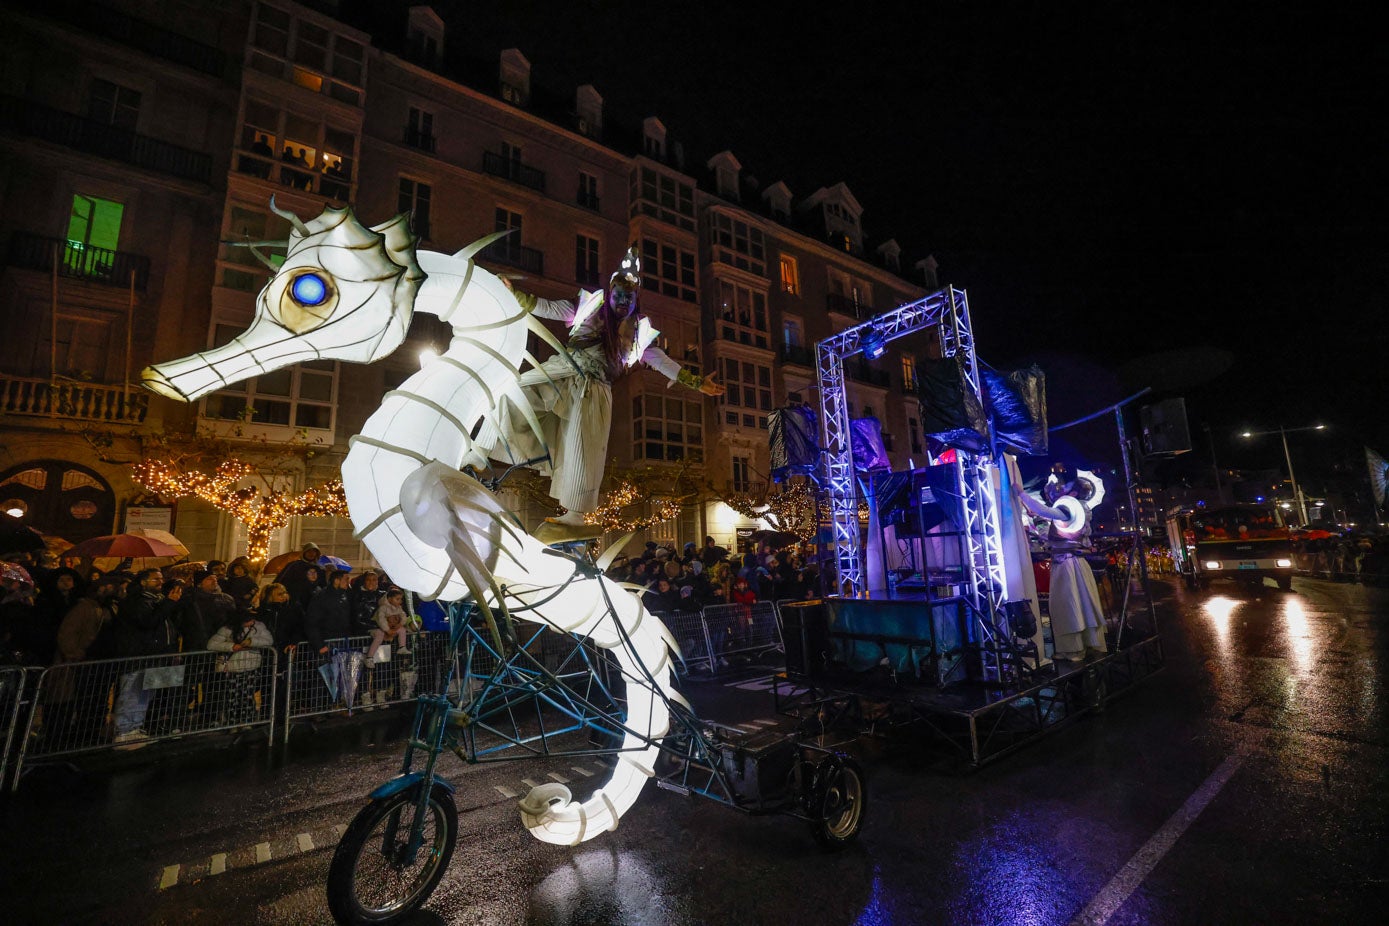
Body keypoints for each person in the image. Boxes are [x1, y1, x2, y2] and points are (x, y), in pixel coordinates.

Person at [476, 249, 725, 544]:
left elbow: (661, 361)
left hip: (595, 389)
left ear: (636, 301)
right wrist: (515, 295)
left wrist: (695, 382)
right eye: (618, 295)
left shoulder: (638, 333)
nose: (622, 302)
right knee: (511, 390)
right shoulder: (589, 306)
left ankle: (575, 515)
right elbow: (550, 308)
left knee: (583, 450)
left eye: (628, 299)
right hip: (565, 370)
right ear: (609, 293)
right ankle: (479, 453)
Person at [1013, 463, 1107, 660]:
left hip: (1068, 565)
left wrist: (1022, 495)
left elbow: (1046, 512)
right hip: (1074, 564)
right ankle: (1084, 645)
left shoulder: (1068, 508)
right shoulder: (1079, 509)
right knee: (1081, 606)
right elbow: (1052, 532)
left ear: (1073, 492)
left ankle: (1073, 650)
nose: (1061, 489)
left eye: (1066, 487)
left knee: (1068, 606)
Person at [207, 610, 273, 728]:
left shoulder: (259, 626)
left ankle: (247, 722)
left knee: (248, 696)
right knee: (232, 697)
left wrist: (253, 642)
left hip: (251, 667)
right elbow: (211, 644)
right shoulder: (227, 629)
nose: (251, 622)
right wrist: (231, 646)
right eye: (248, 621)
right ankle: (232, 723)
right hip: (233, 668)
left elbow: (268, 640)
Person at [279, 543, 326, 609]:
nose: (311, 553)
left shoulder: (320, 569)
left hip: (313, 603)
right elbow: (283, 581)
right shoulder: (294, 565)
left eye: (314, 551)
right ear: (304, 552)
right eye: (309, 551)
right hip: (294, 602)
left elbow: (323, 585)